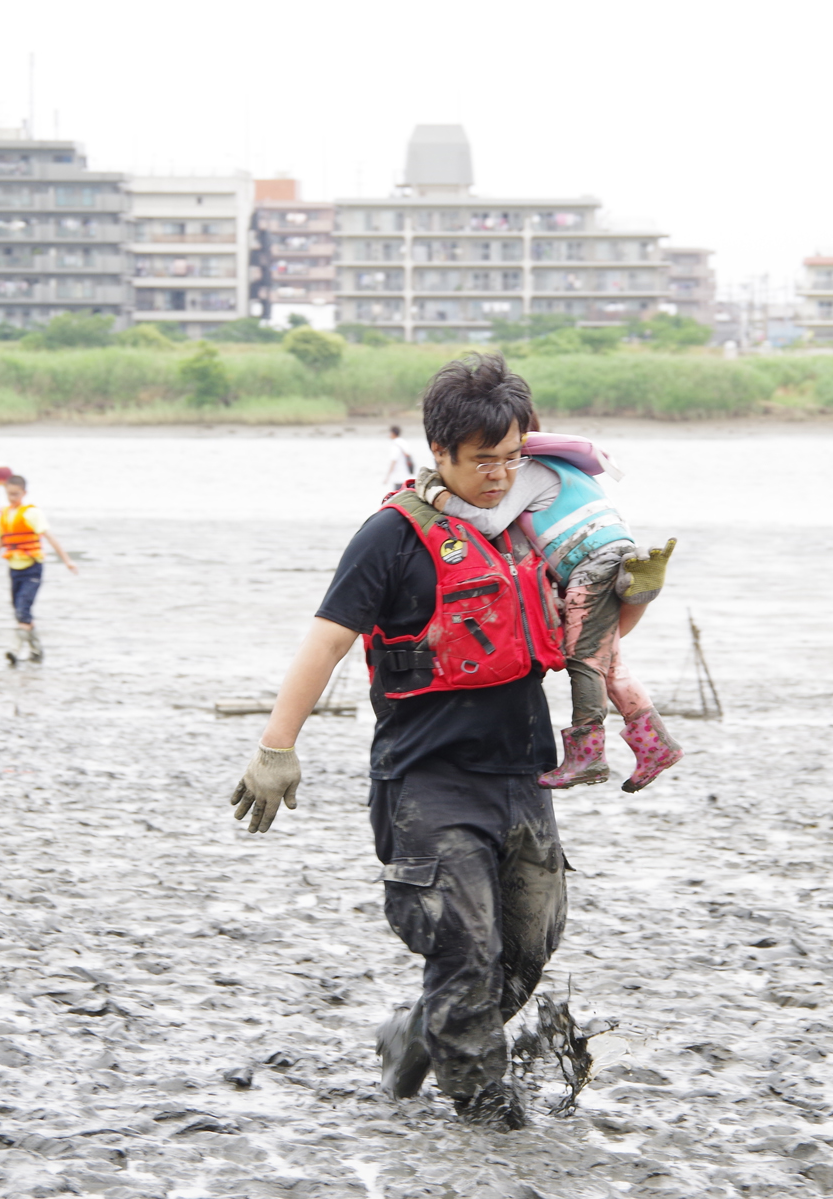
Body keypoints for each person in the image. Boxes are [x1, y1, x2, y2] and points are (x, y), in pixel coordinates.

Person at [227, 354, 571, 1131]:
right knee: (463, 950)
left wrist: (635, 593)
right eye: (483, 459)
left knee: (525, 950)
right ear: (440, 452)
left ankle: (412, 1034)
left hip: (524, 772)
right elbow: (325, 642)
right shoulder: (391, 536)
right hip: (429, 783)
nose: (499, 474)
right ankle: (491, 1120)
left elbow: (584, 632)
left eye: (513, 456)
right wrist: (277, 748)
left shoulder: (528, 528)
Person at [415, 431, 681, 791]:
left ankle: (587, 757)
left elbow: (488, 522)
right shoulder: (572, 472)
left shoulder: (532, 471)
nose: (499, 469)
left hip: (591, 564)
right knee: (612, 666)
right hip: (612, 556)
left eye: (505, 454)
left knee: (585, 661)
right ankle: (656, 748)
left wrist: (433, 492)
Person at [0, 474, 78, 665]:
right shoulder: (4, 514)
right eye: (9, 494)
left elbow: (50, 536)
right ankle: (37, 651)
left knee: (23, 609)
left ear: (24, 493)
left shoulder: (32, 513)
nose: (12, 498)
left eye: (16, 494)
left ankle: (14, 650)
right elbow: (0, 541)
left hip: (32, 568)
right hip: (14, 568)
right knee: (21, 612)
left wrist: (67, 560)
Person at [382, 425, 416, 490]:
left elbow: (393, 461)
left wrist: (387, 476)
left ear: (392, 433)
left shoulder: (395, 445)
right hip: (407, 476)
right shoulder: (404, 442)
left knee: (397, 497)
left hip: (398, 477)